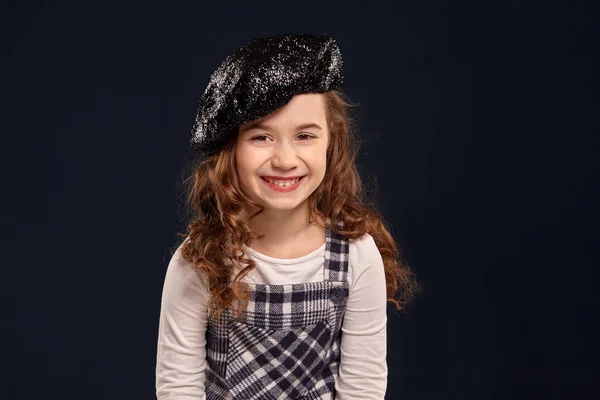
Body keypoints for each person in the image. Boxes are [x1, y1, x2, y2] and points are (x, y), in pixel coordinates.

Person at [155, 32, 419, 400]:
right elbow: (178, 387)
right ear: (230, 148)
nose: (284, 159)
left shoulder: (358, 256)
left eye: (305, 136)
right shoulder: (202, 258)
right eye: (261, 137)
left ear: (332, 142)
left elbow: (363, 387)